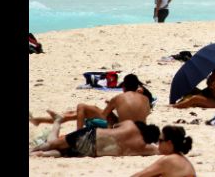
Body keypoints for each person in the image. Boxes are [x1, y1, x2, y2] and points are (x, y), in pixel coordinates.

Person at [29, 74, 152, 129]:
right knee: (80, 112)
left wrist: (111, 104)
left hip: (121, 128)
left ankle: (76, 133)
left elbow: (104, 116)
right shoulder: (145, 99)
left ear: (123, 87)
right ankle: (41, 120)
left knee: (83, 108)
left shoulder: (119, 97)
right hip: (139, 129)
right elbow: (143, 114)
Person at [30, 114, 159, 158]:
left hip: (91, 135)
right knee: (62, 152)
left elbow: (111, 127)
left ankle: (32, 151)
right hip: (93, 151)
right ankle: (39, 154)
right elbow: (158, 150)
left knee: (53, 143)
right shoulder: (144, 149)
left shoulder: (130, 124)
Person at [131, 126, 195, 177]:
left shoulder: (169, 160)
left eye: (160, 140)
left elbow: (139, 176)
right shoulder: (184, 160)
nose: (158, 144)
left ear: (169, 143)